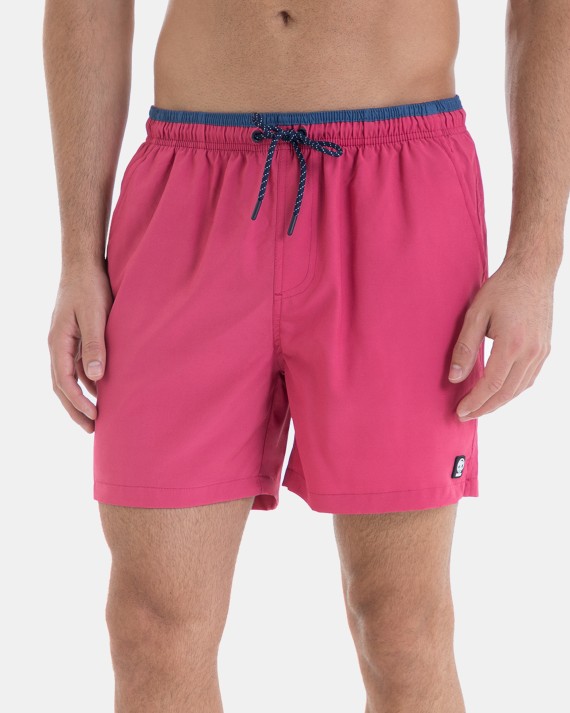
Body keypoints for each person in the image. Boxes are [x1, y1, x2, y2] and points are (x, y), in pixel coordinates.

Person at [43, 1, 568, 711]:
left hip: (399, 184)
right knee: (151, 627)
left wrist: (536, 257)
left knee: (401, 624)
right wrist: (78, 253)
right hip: (188, 184)